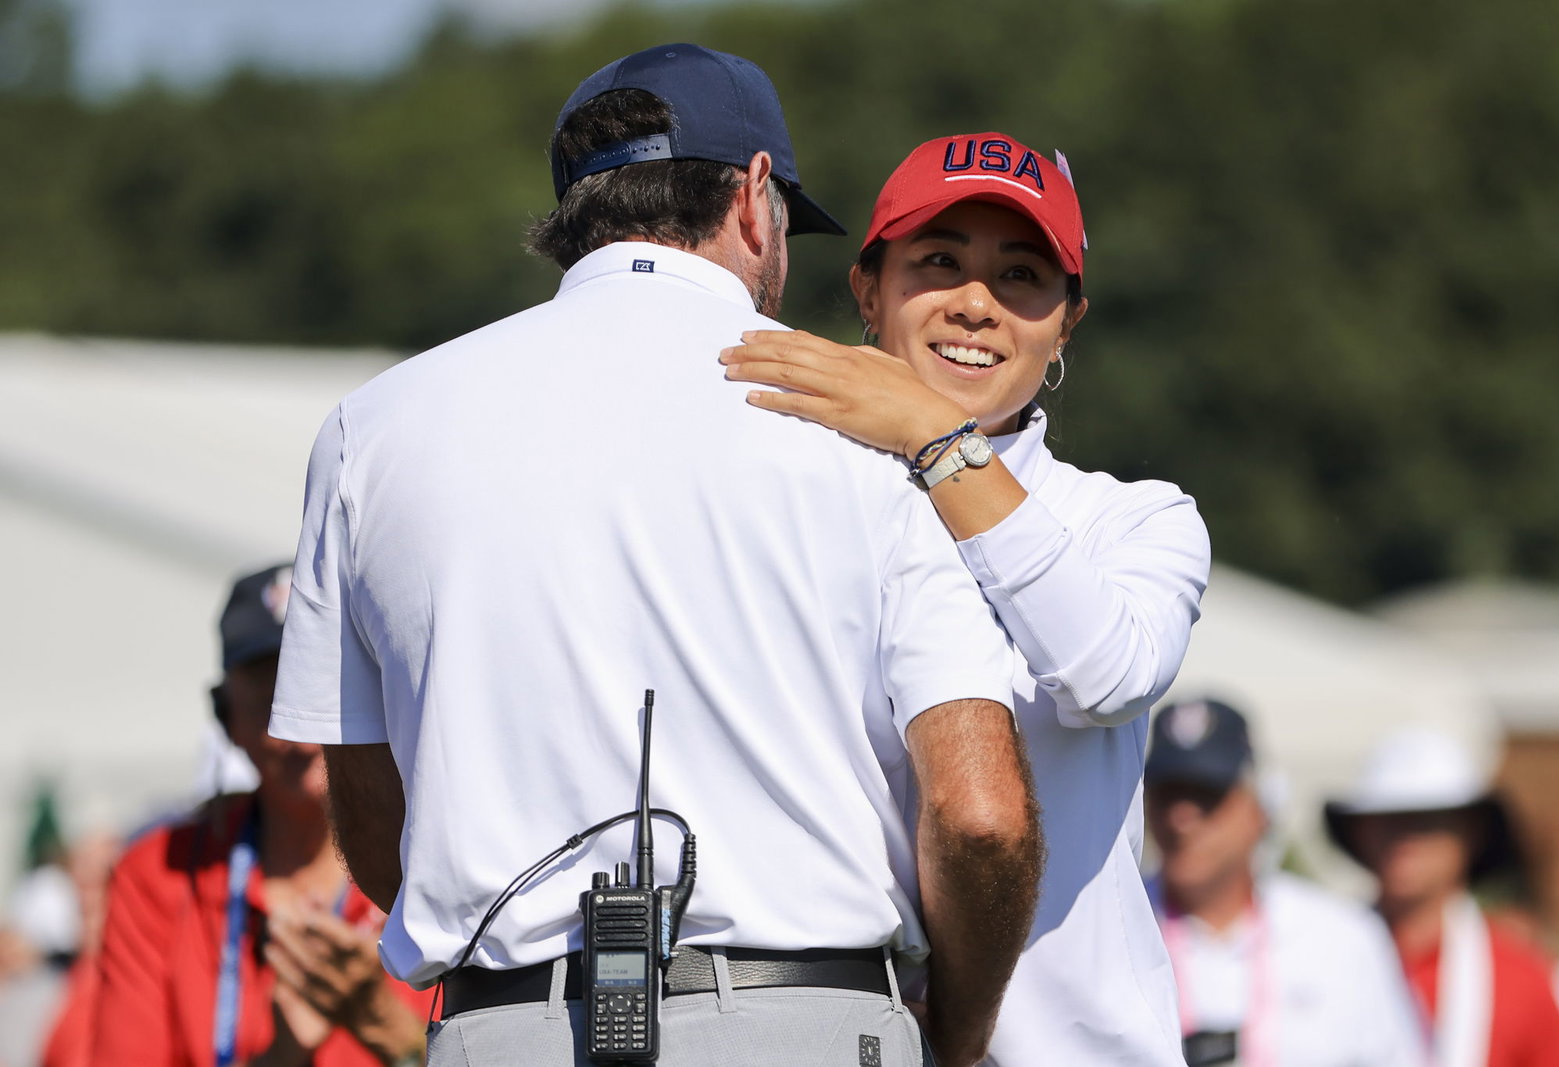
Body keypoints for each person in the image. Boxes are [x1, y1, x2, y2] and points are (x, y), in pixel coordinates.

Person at [269, 45, 1042, 1067]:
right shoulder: (873, 423)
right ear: (755, 197)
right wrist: (958, 1027)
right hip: (808, 1017)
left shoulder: (370, 427)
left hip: (504, 1025)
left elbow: (372, 822)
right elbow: (980, 815)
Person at [719, 131, 1211, 1064]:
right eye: (939, 262)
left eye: (1022, 275)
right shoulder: (783, 502)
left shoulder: (1137, 519)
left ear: (1068, 321)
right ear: (869, 289)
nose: (978, 305)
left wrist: (937, 440)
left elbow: (1105, 676)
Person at [56, 564, 429, 1067]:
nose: (300, 735)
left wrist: (386, 1027)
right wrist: (280, 1056)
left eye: (319, 690)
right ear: (226, 718)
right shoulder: (159, 875)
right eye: (271, 700)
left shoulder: (432, 863)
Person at [1144, 698, 1426, 1067]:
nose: (1181, 817)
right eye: (1167, 795)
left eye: (1207, 796)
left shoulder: (1341, 938)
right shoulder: (1105, 930)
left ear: (1258, 810)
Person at [1326, 726, 1559, 1067]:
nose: (1405, 839)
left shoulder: (1520, 976)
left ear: (1472, 831)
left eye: (1427, 821)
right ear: (1359, 832)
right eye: (1386, 820)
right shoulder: (1318, 954)